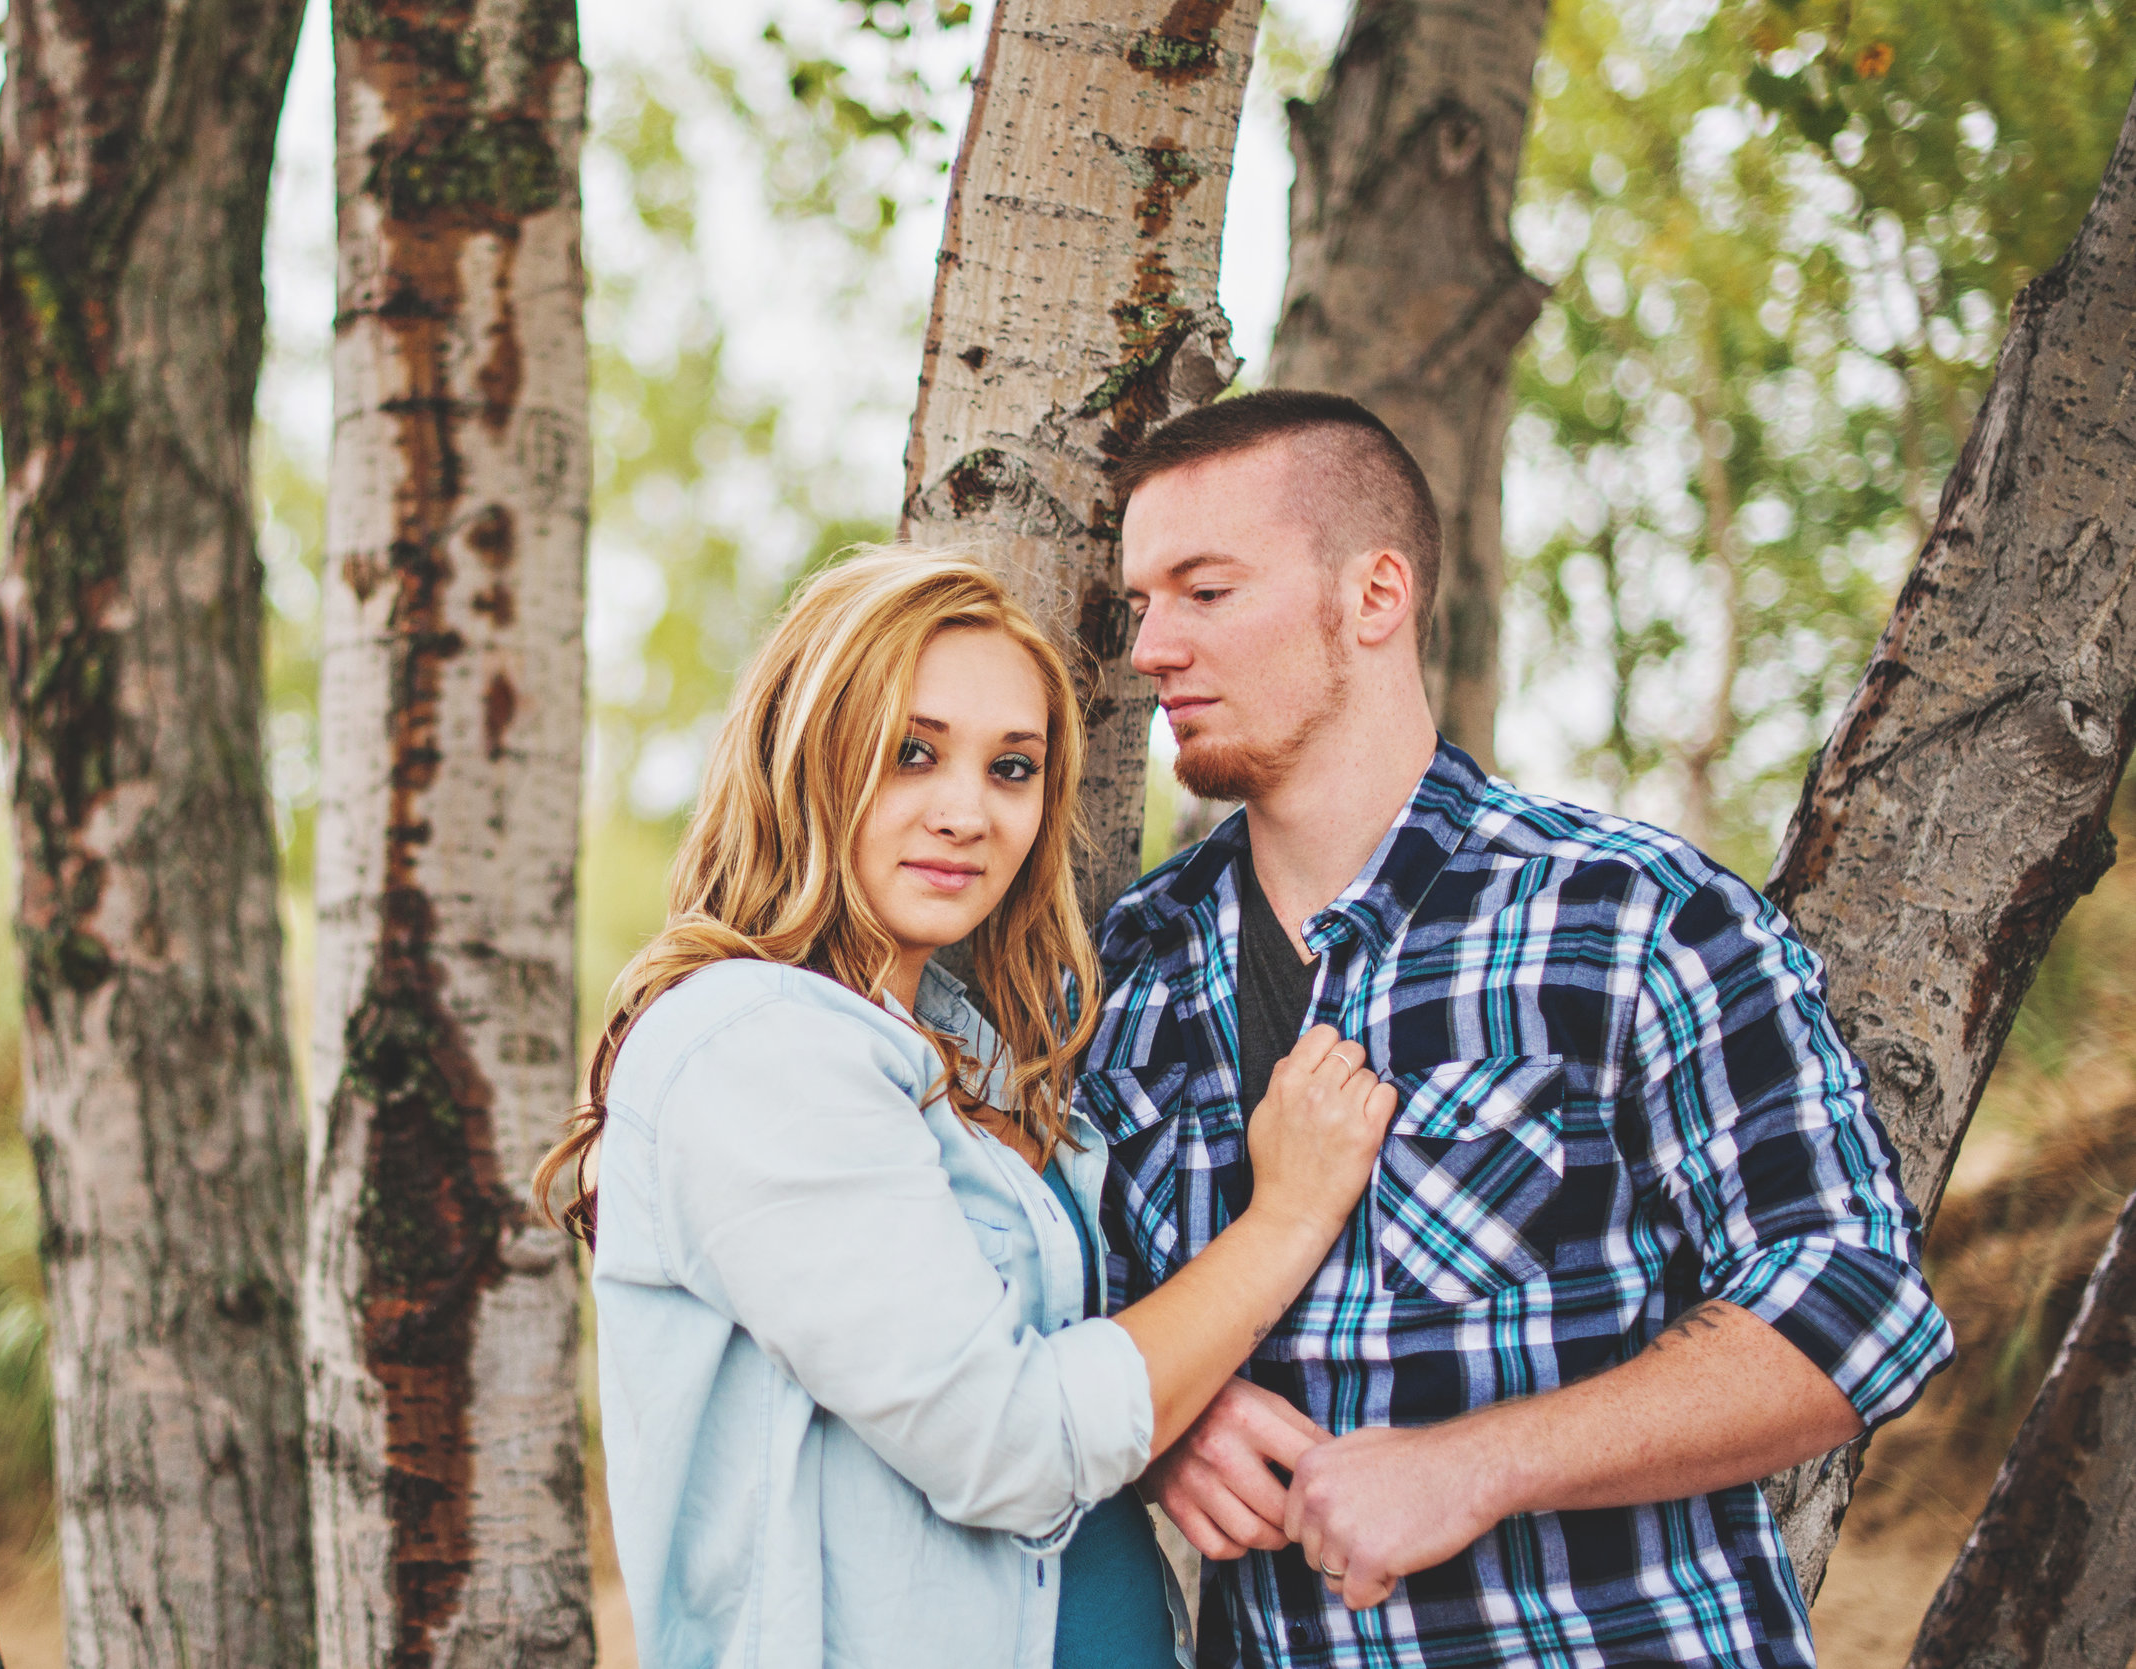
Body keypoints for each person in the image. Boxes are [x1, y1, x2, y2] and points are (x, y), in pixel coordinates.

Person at [1084, 391, 1955, 1669]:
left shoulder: (1628, 916)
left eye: (1204, 593)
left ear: (1374, 596)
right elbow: (1064, 1303)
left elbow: (1854, 1301)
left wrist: (1478, 1466)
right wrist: (1159, 1420)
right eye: (1139, 603)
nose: (1152, 647)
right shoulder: (1132, 967)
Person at [537, 549, 1398, 1669]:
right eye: (911, 753)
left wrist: (1163, 1427)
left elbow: (1027, 1373)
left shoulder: (968, 1045)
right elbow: (1013, 1442)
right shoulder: (757, 1043)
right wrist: (1285, 1220)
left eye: (1011, 768)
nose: (964, 812)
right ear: (809, 755)